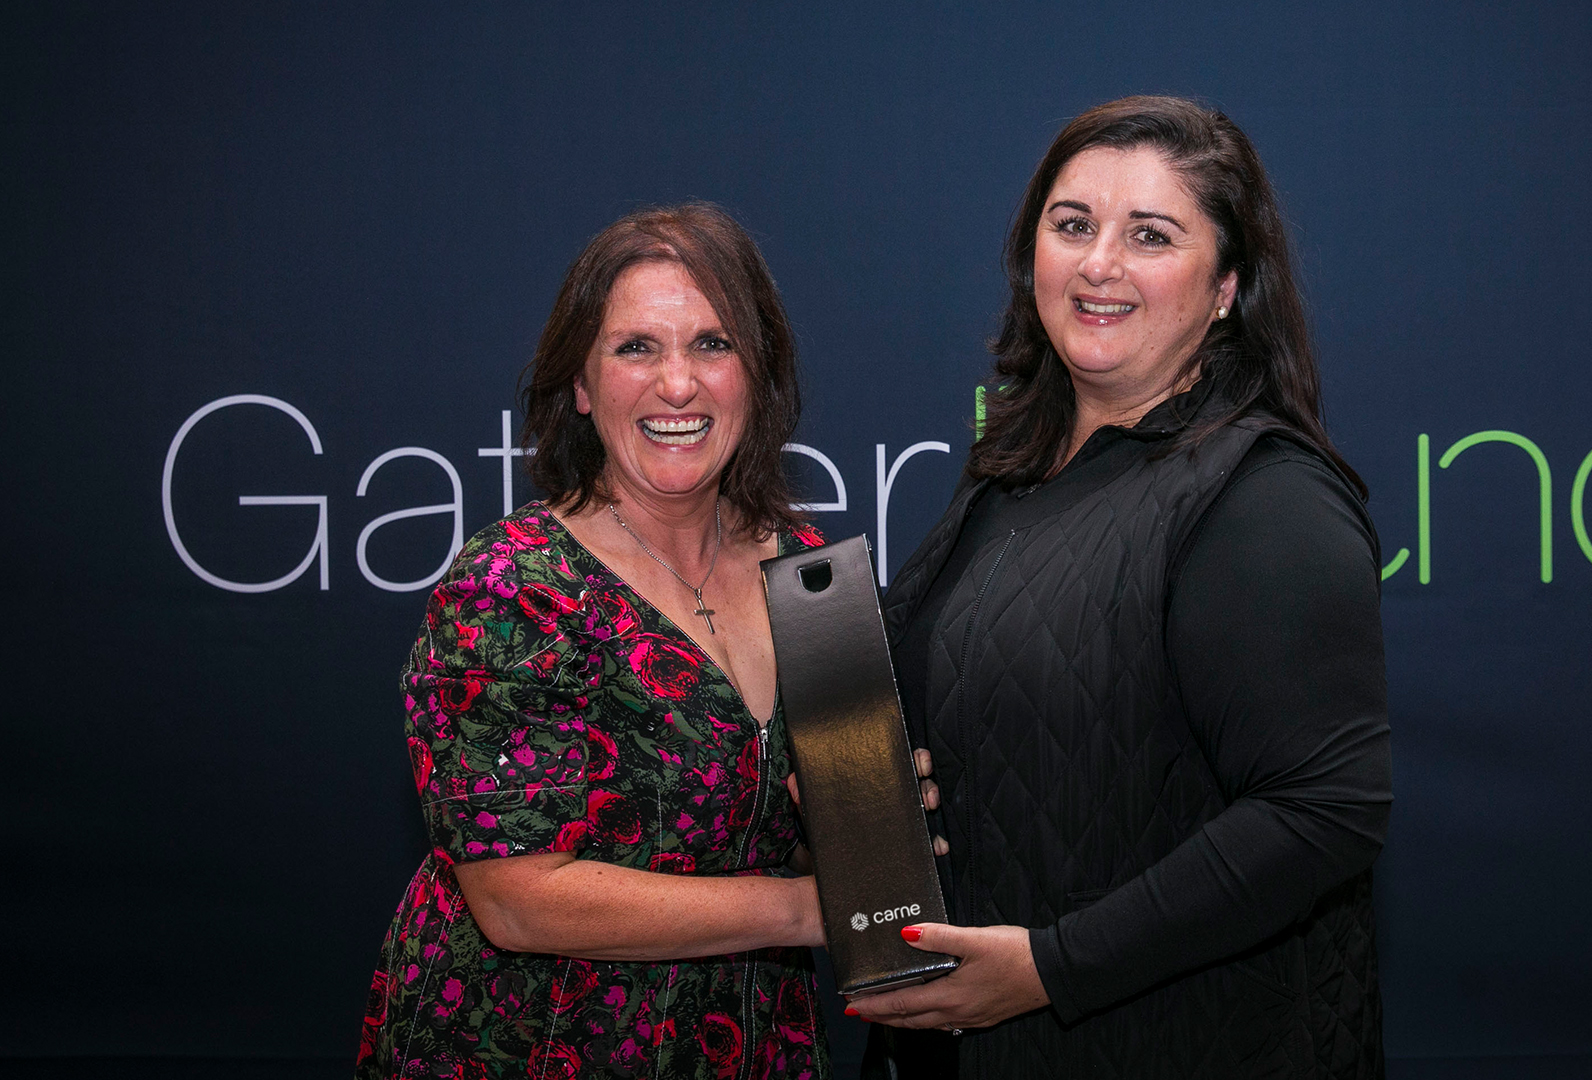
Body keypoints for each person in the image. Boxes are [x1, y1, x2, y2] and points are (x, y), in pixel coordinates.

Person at [853, 97, 1393, 1078]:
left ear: (1226, 285)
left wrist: (1051, 970)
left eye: (1151, 235)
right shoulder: (1012, 467)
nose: (1099, 263)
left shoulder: (1263, 493)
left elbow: (1324, 813)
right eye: (1072, 226)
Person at [356, 203, 835, 1079]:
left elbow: (782, 828)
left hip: (746, 1039)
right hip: (534, 1043)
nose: (678, 385)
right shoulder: (511, 588)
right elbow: (518, 901)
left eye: (713, 345)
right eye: (636, 348)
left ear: (757, 375)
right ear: (581, 385)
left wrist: (863, 812)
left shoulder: (809, 573)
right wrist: (819, 910)